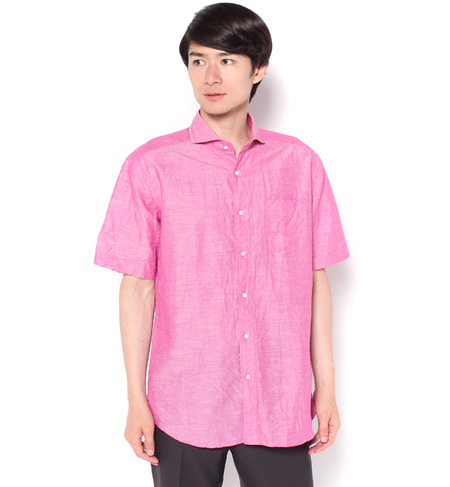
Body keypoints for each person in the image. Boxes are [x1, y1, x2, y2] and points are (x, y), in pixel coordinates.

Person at [94, 3, 350, 486]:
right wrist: (135, 397)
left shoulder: (300, 164)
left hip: (278, 398)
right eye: (198, 60)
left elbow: (316, 280)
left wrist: (327, 387)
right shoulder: (150, 165)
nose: (210, 76)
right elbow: (137, 287)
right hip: (185, 400)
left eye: (227, 60)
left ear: (259, 69)